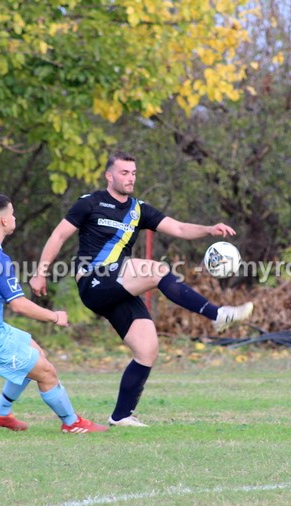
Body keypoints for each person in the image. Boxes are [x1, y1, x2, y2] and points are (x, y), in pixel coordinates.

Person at [29, 151, 253, 427]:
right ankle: (216, 314)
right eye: (124, 172)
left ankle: (121, 416)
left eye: (133, 173)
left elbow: (180, 229)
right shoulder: (89, 203)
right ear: (109, 175)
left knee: (147, 350)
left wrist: (209, 229)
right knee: (157, 270)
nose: (130, 178)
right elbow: (59, 235)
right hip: (94, 279)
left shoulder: (139, 210)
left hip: (117, 285)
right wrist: (40, 273)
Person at [0, 194, 108, 434]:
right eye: (12, 214)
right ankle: (72, 423)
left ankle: (0, 415)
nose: (14, 217)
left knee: (35, 352)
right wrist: (55, 316)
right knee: (47, 373)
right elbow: (19, 305)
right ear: (3, 221)